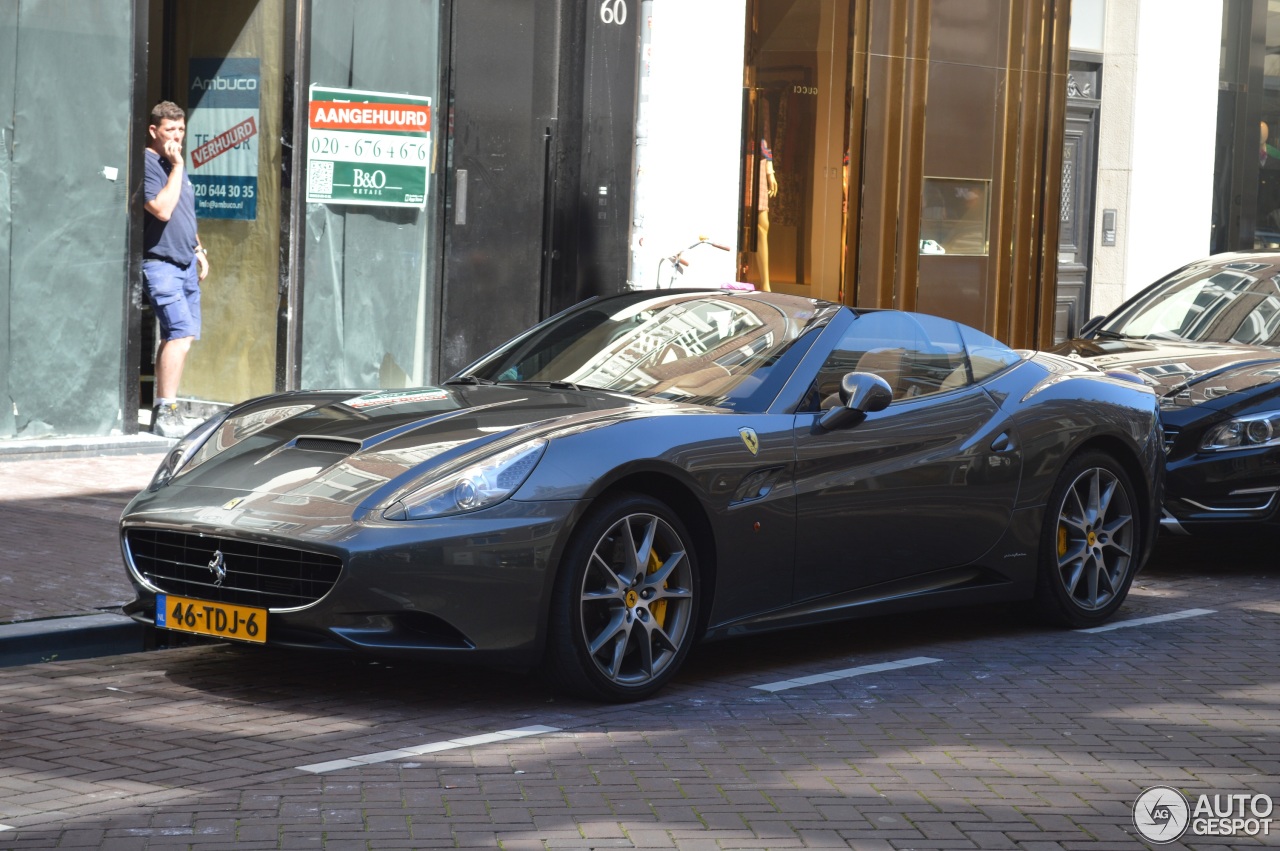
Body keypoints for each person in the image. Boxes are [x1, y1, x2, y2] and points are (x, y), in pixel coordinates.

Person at [142, 101, 209, 437]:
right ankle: (166, 411)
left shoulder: (174, 166)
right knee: (180, 333)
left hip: (184, 263)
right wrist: (178, 166)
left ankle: (165, 407)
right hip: (160, 264)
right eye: (170, 130)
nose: (177, 137)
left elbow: (184, 212)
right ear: (154, 130)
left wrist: (198, 249)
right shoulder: (149, 163)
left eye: (181, 130)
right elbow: (163, 210)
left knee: (178, 336)